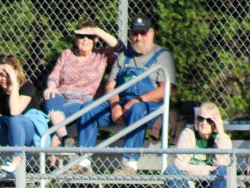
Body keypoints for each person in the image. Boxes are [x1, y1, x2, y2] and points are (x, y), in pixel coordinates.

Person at [74, 14, 177, 174]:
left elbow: (165, 90)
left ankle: (129, 164)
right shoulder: (124, 56)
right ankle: (84, 163)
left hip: (147, 106)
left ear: (151, 34)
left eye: (143, 33)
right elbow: (110, 86)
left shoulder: (162, 56)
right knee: (88, 108)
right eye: (135, 34)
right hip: (121, 104)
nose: (138, 37)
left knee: (137, 110)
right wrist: (115, 105)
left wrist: (138, 100)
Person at [42, 20, 119, 156]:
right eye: (81, 36)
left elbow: (120, 48)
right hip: (62, 99)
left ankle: (59, 136)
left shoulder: (101, 55)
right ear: (76, 38)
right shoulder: (67, 54)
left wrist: (97, 31)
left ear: (95, 39)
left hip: (83, 103)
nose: (85, 40)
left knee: (80, 112)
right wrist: (51, 87)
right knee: (51, 96)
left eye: (89, 36)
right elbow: (54, 75)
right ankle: (64, 138)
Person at [162, 102, 233, 188]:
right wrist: (207, 170)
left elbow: (222, 164)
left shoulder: (222, 138)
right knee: (171, 170)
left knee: (223, 171)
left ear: (215, 122)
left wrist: (221, 133)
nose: (203, 123)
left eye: (209, 119)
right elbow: (179, 165)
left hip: (211, 187)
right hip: (190, 184)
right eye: (200, 118)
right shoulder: (188, 134)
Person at [0, 55, 47, 175]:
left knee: (15, 119)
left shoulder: (27, 86)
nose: (4, 79)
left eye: (7, 75)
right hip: (9, 130)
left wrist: (14, 84)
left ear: (15, 73)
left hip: (28, 131)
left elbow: (15, 111)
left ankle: (16, 162)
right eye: (1, 75)